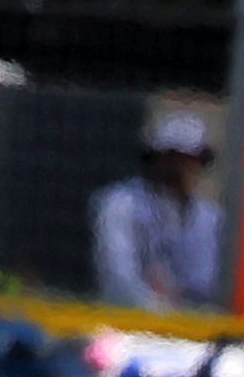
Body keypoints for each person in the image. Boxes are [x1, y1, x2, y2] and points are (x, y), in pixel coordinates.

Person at [88, 108, 229, 311]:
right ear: (154, 157)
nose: (181, 167)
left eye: (190, 157)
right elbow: (119, 279)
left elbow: (208, 283)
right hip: (131, 322)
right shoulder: (119, 203)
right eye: (172, 157)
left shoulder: (212, 218)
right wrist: (162, 308)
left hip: (194, 328)